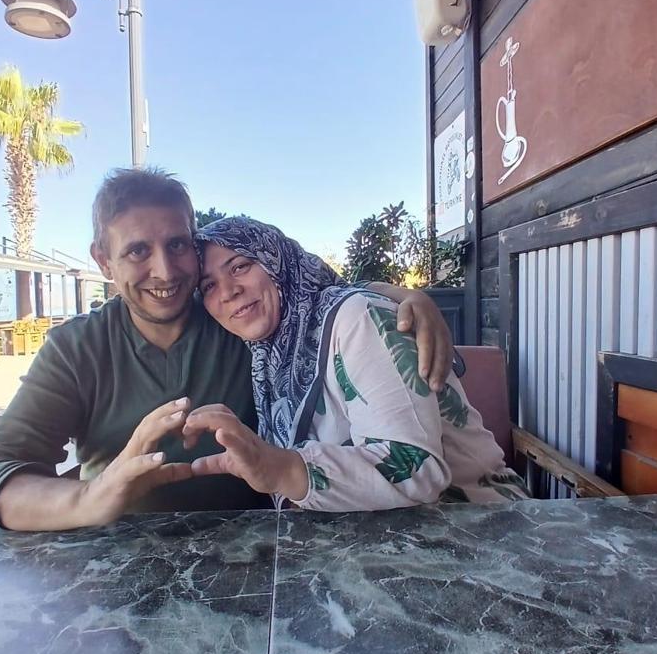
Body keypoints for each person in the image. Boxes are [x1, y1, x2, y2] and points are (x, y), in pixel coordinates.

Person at [0, 169, 454, 531]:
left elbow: (309, 297)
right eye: (137, 251)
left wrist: (401, 296)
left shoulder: (237, 325)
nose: (165, 271)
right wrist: (89, 498)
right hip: (120, 569)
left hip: (260, 558)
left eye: (177, 245)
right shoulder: (76, 349)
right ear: (103, 261)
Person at [187, 216, 529, 511]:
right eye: (209, 286)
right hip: (381, 539)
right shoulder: (270, 354)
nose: (228, 292)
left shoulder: (357, 317)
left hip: (480, 524)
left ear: (275, 260)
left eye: (240, 267)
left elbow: (417, 469)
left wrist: (282, 469)